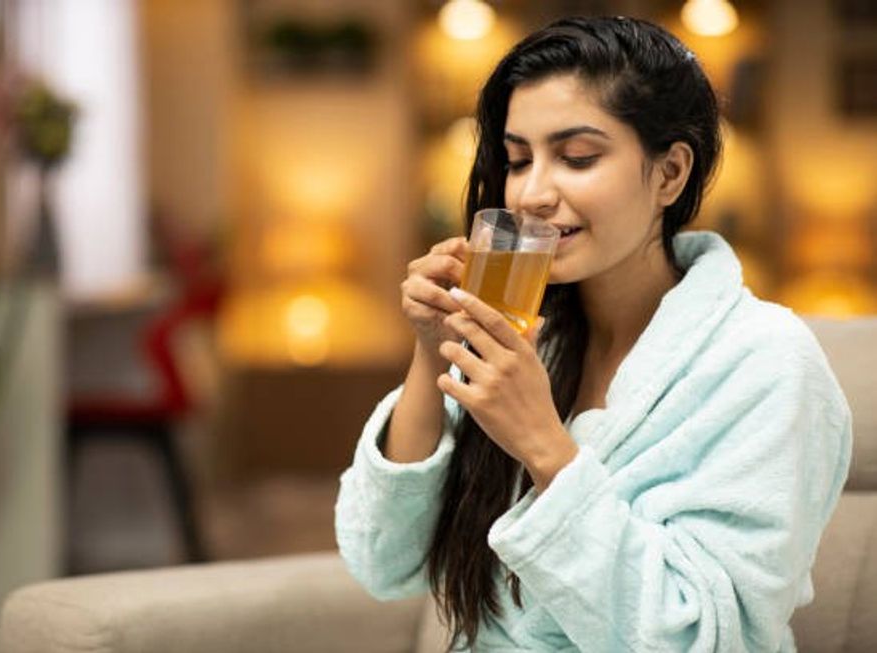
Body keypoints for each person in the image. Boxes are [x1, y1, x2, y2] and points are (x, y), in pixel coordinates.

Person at [335, 15, 851, 652]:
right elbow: (385, 561)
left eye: (577, 158)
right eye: (518, 160)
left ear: (670, 174)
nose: (532, 194)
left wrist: (545, 446)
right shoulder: (524, 334)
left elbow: (709, 640)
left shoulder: (765, 361)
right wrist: (429, 348)